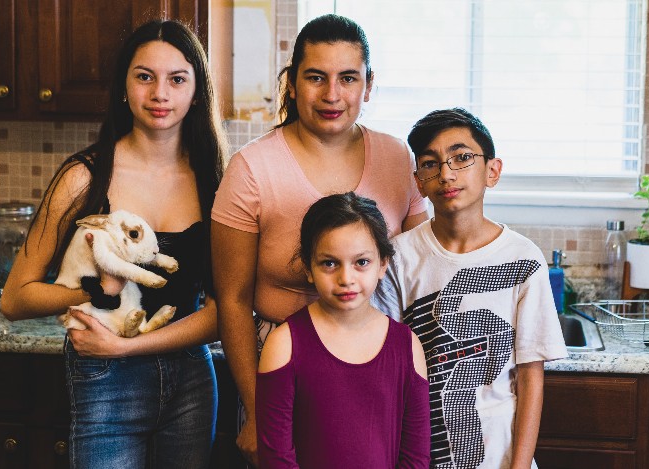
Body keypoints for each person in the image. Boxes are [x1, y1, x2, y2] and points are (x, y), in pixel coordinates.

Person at [0, 19, 228, 469]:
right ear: (124, 88)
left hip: (192, 384)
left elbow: (224, 312)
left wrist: (127, 347)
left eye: (177, 79)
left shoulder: (216, 182)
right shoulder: (84, 177)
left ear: (196, 91)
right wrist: (92, 293)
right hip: (105, 381)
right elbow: (15, 298)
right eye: (144, 76)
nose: (160, 93)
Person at [210, 13, 428, 466]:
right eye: (316, 77)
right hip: (279, 371)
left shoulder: (395, 157)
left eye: (348, 78)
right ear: (291, 83)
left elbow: (420, 265)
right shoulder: (251, 169)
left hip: (374, 370)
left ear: (368, 86)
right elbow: (231, 299)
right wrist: (254, 408)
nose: (332, 95)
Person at [373, 108, 568, 469]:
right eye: (431, 163)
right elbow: (388, 369)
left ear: (492, 171)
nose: (446, 173)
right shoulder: (399, 256)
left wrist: (520, 466)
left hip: (502, 457)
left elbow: (530, 378)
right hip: (419, 452)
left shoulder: (525, 259)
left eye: (462, 158)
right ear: (419, 182)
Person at [255, 192, 431, 468]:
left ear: (383, 264)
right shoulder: (283, 345)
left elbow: (416, 456)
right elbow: (276, 457)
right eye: (329, 263)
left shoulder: (407, 346)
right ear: (308, 268)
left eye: (361, 262)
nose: (346, 278)